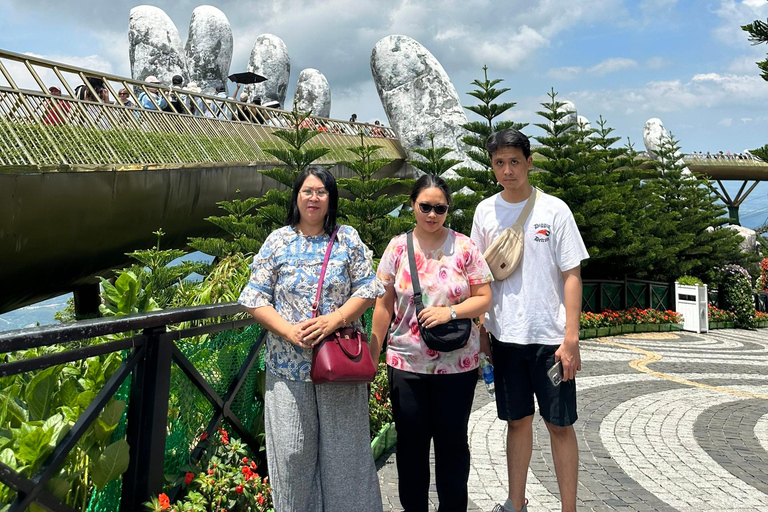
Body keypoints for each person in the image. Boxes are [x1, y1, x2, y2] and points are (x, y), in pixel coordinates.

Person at [239, 166, 384, 512]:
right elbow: (254, 297)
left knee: (345, 454)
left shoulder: (347, 238)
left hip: (339, 367)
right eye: (307, 191)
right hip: (287, 369)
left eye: (321, 191)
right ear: (296, 196)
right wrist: (289, 330)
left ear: (331, 199)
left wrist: (335, 319)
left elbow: (369, 289)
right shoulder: (277, 241)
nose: (314, 197)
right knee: (291, 455)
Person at [470, 129, 589, 512]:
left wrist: (571, 338)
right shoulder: (485, 211)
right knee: (517, 422)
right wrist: (482, 328)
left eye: (514, 162)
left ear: (529, 162)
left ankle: (568, 507)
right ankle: (515, 503)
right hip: (505, 337)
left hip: (550, 339)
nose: (507, 170)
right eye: (499, 163)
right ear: (492, 166)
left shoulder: (555, 210)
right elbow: (476, 277)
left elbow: (572, 275)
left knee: (560, 425)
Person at [371, 175, 493, 512]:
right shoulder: (397, 248)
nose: (432, 214)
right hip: (406, 366)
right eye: (425, 206)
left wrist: (449, 311)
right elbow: (383, 304)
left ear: (447, 209)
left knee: (453, 448)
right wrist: (373, 351)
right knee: (410, 449)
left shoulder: (464, 247)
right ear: (412, 205)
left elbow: (484, 298)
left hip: (458, 367)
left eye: (440, 208)